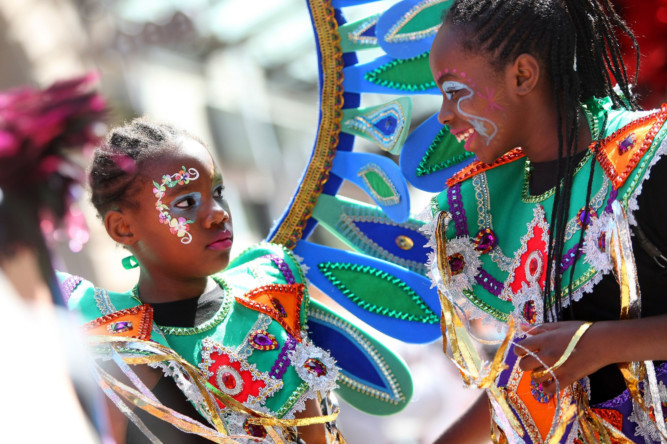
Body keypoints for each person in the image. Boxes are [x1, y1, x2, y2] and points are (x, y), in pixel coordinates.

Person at [423, 0, 667, 442]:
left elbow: (580, 349)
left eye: (454, 91)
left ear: (522, 76)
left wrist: (601, 344)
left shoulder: (649, 158)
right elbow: (533, 366)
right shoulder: (496, 201)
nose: (443, 114)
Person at [66, 118, 344, 443]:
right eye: (185, 203)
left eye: (218, 192)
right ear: (123, 228)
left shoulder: (265, 297)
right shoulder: (111, 341)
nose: (219, 213)